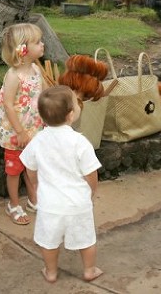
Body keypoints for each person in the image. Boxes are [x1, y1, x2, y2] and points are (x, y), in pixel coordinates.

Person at [20, 85, 103, 283]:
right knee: (86, 239)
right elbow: (91, 173)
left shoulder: (38, 140)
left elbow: (29, 168)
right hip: (77, 202)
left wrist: (37, 185)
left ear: (41, 117)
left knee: (49, 241)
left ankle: (50, 272)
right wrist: (92, 191)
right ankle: (89, 270)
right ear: (71, 114)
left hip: (50, 203)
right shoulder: (80, 142)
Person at [0, 23, 46, 225]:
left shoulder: (35, 69)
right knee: (14, 169)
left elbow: (43, 95)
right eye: (37, 42)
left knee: (33, 166)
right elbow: (8, 105)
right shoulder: (14, 76)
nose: (42, 45)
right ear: (23, 48)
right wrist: (20, 132)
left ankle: (34, 199)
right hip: (15, 132)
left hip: (33, 129)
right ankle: (13, 204)